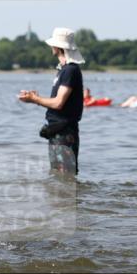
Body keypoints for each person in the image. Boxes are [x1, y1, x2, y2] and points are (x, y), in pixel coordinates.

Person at [18, 27, 84, 175]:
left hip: (65, 132)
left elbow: (58, 103)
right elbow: (58, 102)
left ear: (58, 47)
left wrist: (35, 99)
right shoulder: (64, 70)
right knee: (58, 176)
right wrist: (35, 99)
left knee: (65, 176)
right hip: (57, 131)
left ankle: (68, 199)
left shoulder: (70, 70)